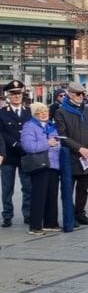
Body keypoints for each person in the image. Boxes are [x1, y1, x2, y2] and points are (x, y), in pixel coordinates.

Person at [53, 82, 88, 226]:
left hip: (87, 155)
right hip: (71, 156)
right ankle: (70, 214)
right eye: (78, 94)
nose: (81, 97)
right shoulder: (61, 111)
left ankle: (80, 213)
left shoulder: (87, 110)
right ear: (70, 94)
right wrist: (80, 149)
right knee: (68, 188)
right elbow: (63, 135)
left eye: (83, 94)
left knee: (83, 188)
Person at [20, 102, 61, 235]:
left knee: (52, 195)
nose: (43, 114)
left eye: (45, 111)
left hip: (53, 164)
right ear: (34, 114)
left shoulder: (51, 126)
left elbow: (57, 144)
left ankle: (50, 222)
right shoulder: (29, 126)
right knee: (39, 195)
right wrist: (48, 143)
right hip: (39, 165)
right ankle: (35, 225)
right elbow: (28, 146)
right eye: (39, 112)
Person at [0, 80, 32, 227]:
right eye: (13, 94)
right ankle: (7, 215)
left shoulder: (28, 112)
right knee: (7, 188)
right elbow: (1, 132)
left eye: (19, 93)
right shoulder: (2, 113)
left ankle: (28, 214)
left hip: (25, 154)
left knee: (27, 186)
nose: (16, 96)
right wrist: (14, 143)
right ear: (8, 96)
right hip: (9, 155)